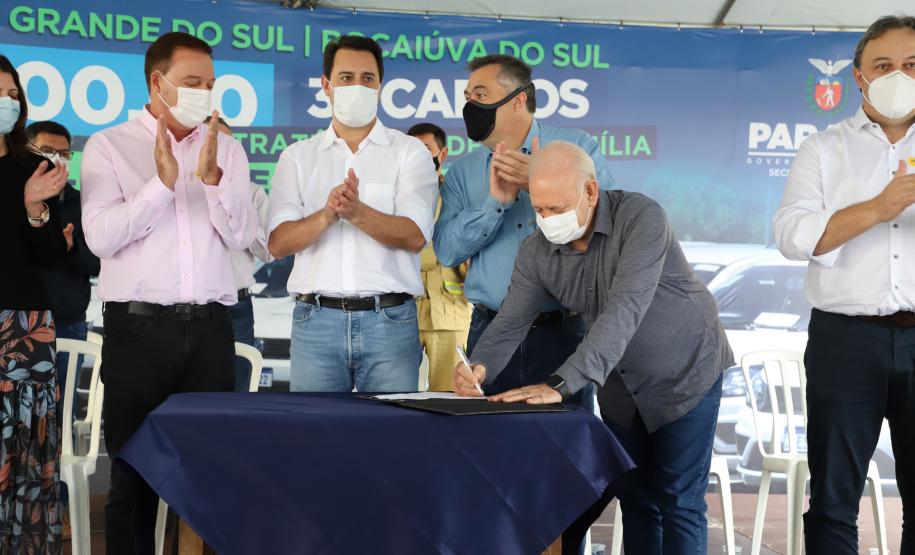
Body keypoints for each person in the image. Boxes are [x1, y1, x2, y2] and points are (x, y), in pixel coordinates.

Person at [454, 142, 732, 554]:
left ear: (590, 192)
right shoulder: (536, 251)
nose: (547, 220)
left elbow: (625, 309)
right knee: (636, 500)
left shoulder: (642, 217)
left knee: (678, 501)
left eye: (557, 208)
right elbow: (511, 319)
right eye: (540, 209)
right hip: (620, 386)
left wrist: (561, 384)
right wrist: (479, 366)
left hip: (685, 371)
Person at [81, 32, 257, 554]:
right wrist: (160, 185)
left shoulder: (225, 148)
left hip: (209, 330)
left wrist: (215, 182)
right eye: (191, 83)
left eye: (210, 83)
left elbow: (244, 237)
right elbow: (101, 236)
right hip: (138, 332)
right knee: (132, 479)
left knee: (209, 475)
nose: (204, 93)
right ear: (158, 83)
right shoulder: (109, 146)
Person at [773, 15, 915, 554]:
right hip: (846, 340)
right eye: (884, 65)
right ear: (859, 77)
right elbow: (791, 235)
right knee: (834, 499)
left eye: (912, 65)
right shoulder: (822, 149)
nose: (898, 75)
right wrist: (879, 208)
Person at [433, 54, 614, 409]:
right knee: (489, 449)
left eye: (480, 96)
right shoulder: (462, 173)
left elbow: (606, 228)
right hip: (489, 332)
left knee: (566, 451)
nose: (470, 106)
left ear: (518, 98)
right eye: (467, 98)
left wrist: (542, 181)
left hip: (563, 333)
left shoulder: (578, 148)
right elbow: (446, 251)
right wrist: (494, 204)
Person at [268, 36, 438, 393]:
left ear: (380, 85)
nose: (357, 86)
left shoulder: (410, 153)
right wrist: (327, 215)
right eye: (346, 78)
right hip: (315, 323)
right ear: (326, 85)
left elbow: (413, 235)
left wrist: (357, 213)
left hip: (390, 321)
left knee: (390, 440)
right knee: (314, 441)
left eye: (367, 78)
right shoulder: (298, 157)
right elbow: (279, 243)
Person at [0, 54, 68, 553]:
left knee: (26, 452)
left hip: (25, 326)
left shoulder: (31, 165)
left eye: (11, 95)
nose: (6, 103)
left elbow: (49, 256)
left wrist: (34, 208)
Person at [27, 119, 101, 539]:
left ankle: (57, 516)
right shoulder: (13, 195)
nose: (55, 159)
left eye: (64, 152)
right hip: (17, 328)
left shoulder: (81, 201)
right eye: (45, 151)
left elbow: (95, 262)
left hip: (67, 325)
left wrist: (67, 248)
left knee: (56, 423)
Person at [206, 115, 272, 391]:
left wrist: (235, 209)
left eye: (228, 143)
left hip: (237, 305)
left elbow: (269, 251)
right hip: (192, 307)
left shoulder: (254, 194)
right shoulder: (185, 193)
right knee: (193, 395)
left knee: (238, 390)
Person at [406, 122, 472, 391]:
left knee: (448, 398)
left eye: (426, 149)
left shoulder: (460, 198)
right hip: (400, 314)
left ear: (442, 155)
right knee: (392, 398)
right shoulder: (393, 199)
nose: (419, 157)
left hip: (451, 313)